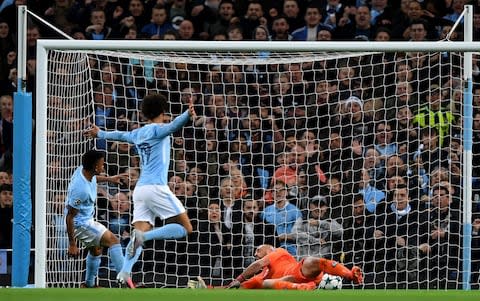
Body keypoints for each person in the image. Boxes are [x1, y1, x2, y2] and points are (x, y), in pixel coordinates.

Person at [83, 93, 196, 288]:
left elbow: (119, 135)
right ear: (163, 111)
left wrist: (99, 133)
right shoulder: (158, 130)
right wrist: (187, 114)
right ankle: (146, 236)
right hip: (156, 187)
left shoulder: (137, 132)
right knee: (186, 228)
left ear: (144, 114)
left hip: (140, 190)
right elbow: (174, 126)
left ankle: (125, 271)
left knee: (138, 234)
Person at [65, 150, 127, 288]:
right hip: (80, 223)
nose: (103, 167)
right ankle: (126, 282)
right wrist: (72, 244)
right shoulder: (80, 190)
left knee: (96, 250)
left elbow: (94, 178)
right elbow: (70, 216)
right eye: (102, 165)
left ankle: (89, 285)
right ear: (95, 167)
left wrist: (109, 179)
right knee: (113, 240)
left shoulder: (83, 170)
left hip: (85, 219)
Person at [189, 244, 363, 290]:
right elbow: (234, 289)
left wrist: (240, 278)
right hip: (287, 283)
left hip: (299, 272)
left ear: (270, 249)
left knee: (311, 261)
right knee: (260, 284)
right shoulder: (262, 275)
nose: (256, 253)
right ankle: (301, 287)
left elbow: (257, 264)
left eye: (259, 249)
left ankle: (350, 274)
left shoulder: (278, 252)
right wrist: (209, 288)